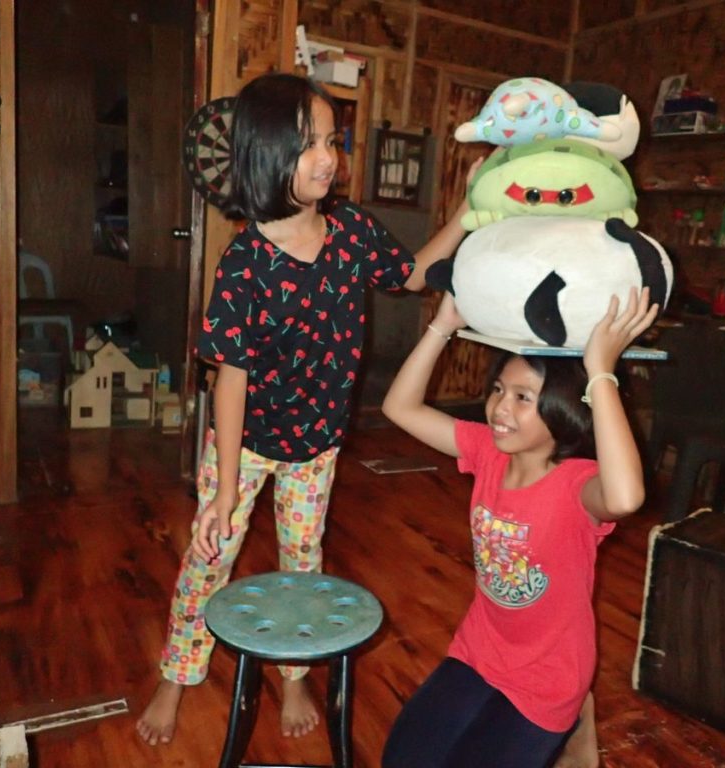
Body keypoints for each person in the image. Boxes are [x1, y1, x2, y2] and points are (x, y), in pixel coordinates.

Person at [135, 72, 480, 746]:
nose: (329, 157)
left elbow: (410, 274)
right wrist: (223, 493)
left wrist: (468, 210)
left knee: (303, 561)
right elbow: (229, 379)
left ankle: (293, 675)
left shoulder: (351, 230)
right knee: (208, 558)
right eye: (309, 145)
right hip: (245, 444)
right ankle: (175, 677)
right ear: (267, 156)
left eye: (332, 140)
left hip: (316, 445)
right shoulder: (244, 262)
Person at [380, 287, 658, 768]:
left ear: (564, 407)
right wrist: (442, 326)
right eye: (498, 390)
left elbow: (626, 498)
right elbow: (399, 408)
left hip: (549, 676)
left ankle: (575, 717)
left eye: (522, 397)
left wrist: (600, 372)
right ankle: (578, 721)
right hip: (481, 648)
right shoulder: (487, 451)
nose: (500, 408)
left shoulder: (579, 485)